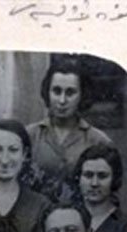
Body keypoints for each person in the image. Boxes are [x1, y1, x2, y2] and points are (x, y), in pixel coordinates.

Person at [27, 56, 112, 200]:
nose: (62, 100)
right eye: (56, 91)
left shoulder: (98, 140)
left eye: (70, 93)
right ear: (47, 92)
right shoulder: (31, 135)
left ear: (82, 95)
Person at [73, 145, 127, 232]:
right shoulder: (66, 219)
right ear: (79, 178)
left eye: (102, 176)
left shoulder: (124, 228)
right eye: (88, 175)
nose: (94, 183)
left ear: (114, 179)